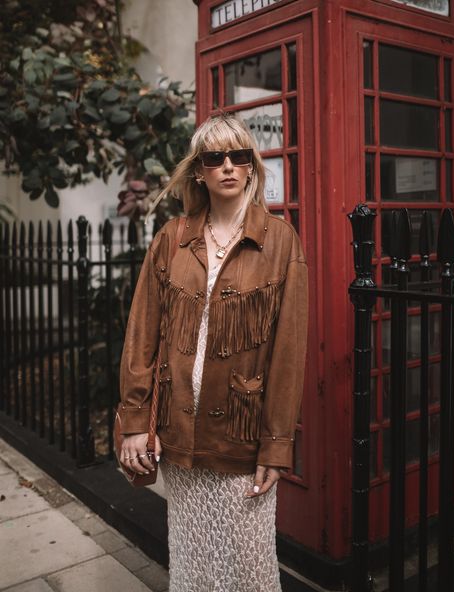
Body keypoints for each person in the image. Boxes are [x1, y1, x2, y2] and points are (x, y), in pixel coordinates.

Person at [118, 112, 308, 591]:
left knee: (249, 567)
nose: (227, 165)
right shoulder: (172, 238)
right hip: (179, 432)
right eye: (214, 157)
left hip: (241, 437)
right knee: (192, 564)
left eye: (238, 155)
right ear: (198, 169)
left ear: (251, 165)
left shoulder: (280, 240)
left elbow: (289, 352)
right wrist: (135, 422)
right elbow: (141, 336)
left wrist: (277, 445)